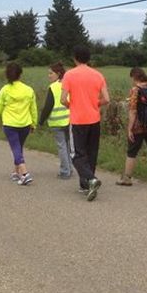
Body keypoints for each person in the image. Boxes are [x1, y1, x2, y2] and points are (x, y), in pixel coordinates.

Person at [61, 45, 110, 202]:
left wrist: (72, 105)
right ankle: (85, 185)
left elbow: (63, 99)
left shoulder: (69, 75)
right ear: (89, 59)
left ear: (75, 58)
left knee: (76, 153)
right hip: (94, 120)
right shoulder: (98, 75)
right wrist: (94, 103)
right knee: (91, 153)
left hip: (77, 120)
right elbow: (107, 99)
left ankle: (90, 179)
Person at [0, 62, 37, 186]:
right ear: (20, 74)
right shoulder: (28, 90)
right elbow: (33, 108)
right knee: (18, 147)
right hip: (25, 124)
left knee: (16, 148)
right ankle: (16, 172)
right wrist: (34, 123)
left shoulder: (5, 90)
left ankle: (25, 173)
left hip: (10, 124)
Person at [39, 62, 73, 179]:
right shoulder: (68, 83)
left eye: (51, 73)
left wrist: (41, 121)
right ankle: (70, 169)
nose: (49, 76)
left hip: (57, 121)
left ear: (58, 74)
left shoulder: (53, 87)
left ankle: (65, 171)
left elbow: (48, 106)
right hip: (69, 120)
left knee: (61, 146)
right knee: (68, 146)